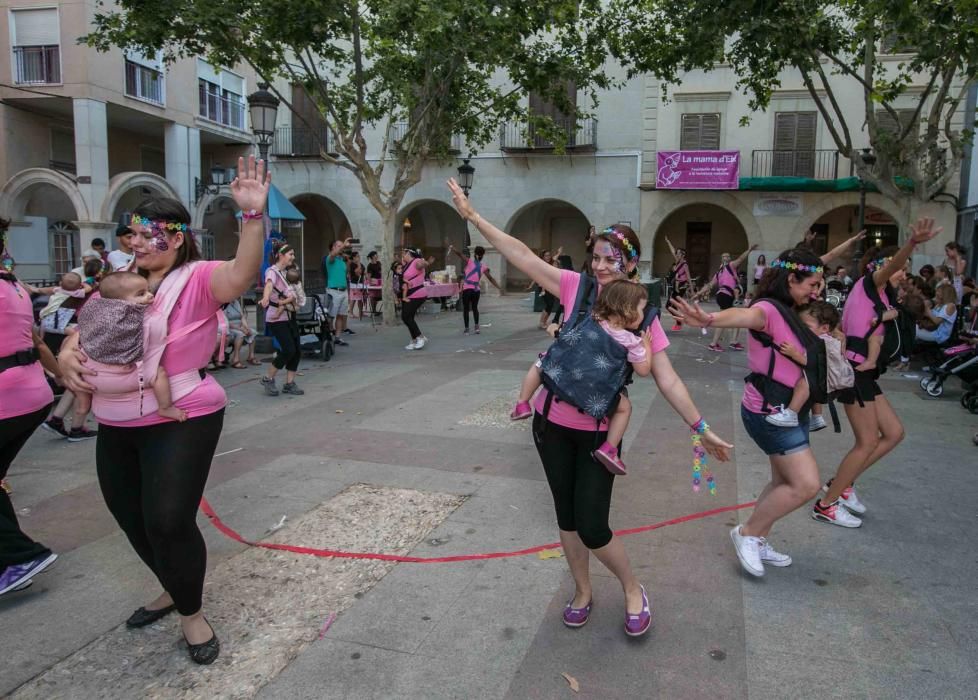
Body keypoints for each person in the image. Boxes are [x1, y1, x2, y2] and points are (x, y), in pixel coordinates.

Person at [448, 178, 732, 637]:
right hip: (550, 423)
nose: (599, 267)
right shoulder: (575, 288)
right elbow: (520, 253)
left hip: (599, 435)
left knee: (594, 526)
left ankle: (633, 587)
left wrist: (702, 428)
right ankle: (582, 590)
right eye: (596, 257)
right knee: (566, 517)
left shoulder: (643, 313)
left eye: (610, 260)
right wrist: (474, 217)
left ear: (630, 264)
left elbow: (667, 378)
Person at [58, 155, 271, 664]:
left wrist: (252, 217)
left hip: (182, 415)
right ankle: (172, 584)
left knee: (169, 520)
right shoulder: (116, 279)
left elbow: (242, 275)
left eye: (146, 234)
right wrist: (67, 354)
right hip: (115, 418)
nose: (134, 243)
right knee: (130, 516)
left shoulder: (197, 278)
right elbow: (84, 328)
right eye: (130, 234)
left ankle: (192, 615)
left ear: (175, 237)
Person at [670, 248, 832, 575]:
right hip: (770, 412)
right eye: (812, 284)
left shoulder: (790, 307)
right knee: (805, 484)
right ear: (791, 279)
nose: (817, 292)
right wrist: (710, 318)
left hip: (790, 410)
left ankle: (757, 538)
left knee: (782, 480)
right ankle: (747, 533)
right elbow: (746, 315)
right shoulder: (768, 309)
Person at [817, 219, 942, 527]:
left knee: (894, 433)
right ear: (881, 266)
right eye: (902, 267)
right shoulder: (870, 284)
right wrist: (911, 243)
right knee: (867, 441)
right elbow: (890, 266)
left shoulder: (884, 296)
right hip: (855, 372)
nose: (905, 272)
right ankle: (826, 503)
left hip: (867, 373)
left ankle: (842, 485)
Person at [511, 279, 652, 476]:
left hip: (565, 377)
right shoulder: (631, 340)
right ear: (627, 309)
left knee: (542, 364)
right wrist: (647, 346)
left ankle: (522, 403)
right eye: (641, 309)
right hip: (595, 394)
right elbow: (644, 370)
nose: (643, 314)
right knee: (624, 408)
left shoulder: (593, 319)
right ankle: (609, 449)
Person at [0, 222, 63, 596]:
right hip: (31, 393)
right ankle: (11, 560)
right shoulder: (14, 285)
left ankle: (23, 555)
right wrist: (60, 379)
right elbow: (36, 342)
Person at [75, 271, 188, 423]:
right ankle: (166, 407)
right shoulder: (138, 320)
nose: (149, 296)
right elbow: (152, 341)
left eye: (148, 290)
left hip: (91, 374)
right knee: (159, 374)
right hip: (124, 375)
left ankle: (83, 403)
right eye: (141, 294)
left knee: (80, 366)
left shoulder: (95, 313)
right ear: (119, 302)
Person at [764, 300, 849, 427]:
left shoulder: (821, 342)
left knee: (803, 384)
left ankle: (791, 413)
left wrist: (794, 354)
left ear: (824, 328)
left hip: (827, 380)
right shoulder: (827, 339)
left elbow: (813, 363)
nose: (801, 330)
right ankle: (817, 417)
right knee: (810, 384)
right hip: (827, 379)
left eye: (806, 326)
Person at [259, 242, 303, 397]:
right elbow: (269, 285)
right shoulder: (272, 271)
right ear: (281, 255)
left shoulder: (288, 272)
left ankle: (289, 383)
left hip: (290, 315)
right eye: (290, 254)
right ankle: (267, 378)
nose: (293, 257)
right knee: (288, 349)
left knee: (296, 350)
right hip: (277, 318)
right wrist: (265, 297)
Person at [694, 244, 757, 351]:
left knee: (736, 319)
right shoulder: (729, 266)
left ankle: (733, 342)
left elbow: (710, 285)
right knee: (725, 320)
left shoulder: (723, 271)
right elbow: (741, 258)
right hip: (725, 296)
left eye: (727, 256)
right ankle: (714, 344)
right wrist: (749, 249)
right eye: (724, 256)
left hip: (723, 296)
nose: (726, 258)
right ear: (722, 259)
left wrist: (698, 294)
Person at [448, 244, 503, 334]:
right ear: (482, 255)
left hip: (467, 289)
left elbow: (459, 254)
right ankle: (477, 327)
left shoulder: (469, 262)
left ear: (475, 254)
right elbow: (491, 278)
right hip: (476, 290)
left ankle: (466, 329)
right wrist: (498, 287)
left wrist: (453, 248)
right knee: (475, 308)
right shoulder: (483, 267)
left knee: (466, 309)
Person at [322, 237, 352, 345]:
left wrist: (348, 261)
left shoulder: (341, 260)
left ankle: (337, 337)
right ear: (333, 247)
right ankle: (328, 335)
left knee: (341, 315)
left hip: (343, 291)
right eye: (339, 246)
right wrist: (344, 245)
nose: (342, 248)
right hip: (333, 291)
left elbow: (346, 273)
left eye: (342, 246)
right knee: (331, 316)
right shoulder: (330, 258)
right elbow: (334, 254)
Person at [401, 247, 431, 350]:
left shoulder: (416, 261)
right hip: (409, 294)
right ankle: (414, 340)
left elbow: (421, 265)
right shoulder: (407, 264)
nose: (403, 255)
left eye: (404, 253)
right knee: (408, 317)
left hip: (417, 293)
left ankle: (420, 337)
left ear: (409, 253)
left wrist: (426, 262)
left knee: (406, 316)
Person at [528, 249, 562, 329]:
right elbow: (536, 276)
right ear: (543, 257)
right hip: (543, 287)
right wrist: (531, 285)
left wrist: (559, 252)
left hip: (550, 287)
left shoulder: (551, 263)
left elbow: (555, 257)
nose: (548, 257)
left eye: (549, 255)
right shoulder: (541, 265)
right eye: (546, 255)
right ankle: (541, 322)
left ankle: (544, 322)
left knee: (550, 305)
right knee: (549, 304)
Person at [222, 296, 259, 368]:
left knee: (253, 332)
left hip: (239, 326)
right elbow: (225, 322)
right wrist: (241, 329)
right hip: (230, 327)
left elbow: (242, 317)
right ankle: (236, 359)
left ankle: (251, 356)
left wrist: (246, 327)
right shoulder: (224, 304)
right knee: (240, 334)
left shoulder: (236, 302)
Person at [664, 236, 690, 331]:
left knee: (669, 306)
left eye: (678, 253)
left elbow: (689, 278)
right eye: (677, 253)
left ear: (682, 255)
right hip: (675, 286)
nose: (676, 254)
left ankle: (680, 321)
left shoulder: (684, 264)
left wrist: (692, 290)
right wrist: (668, 241)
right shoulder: (677, 262)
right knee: (672, 306)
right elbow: (672, 251)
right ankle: (679, 322)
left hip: (680, 287)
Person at [348, 250, 366, 320]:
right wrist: (358, 264)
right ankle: (351, 312)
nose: (359, 257)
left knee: (359, 299)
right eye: (357, 256)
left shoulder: (360, 264)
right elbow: (357, 272)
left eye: (359, 256)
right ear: (354, 257)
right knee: (353, 299)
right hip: (354, 284)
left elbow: (364, 272)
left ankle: (360, 312)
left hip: (360, 283)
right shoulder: (352, 265)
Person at [366, 251, 383, 315]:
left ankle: (375, 311)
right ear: (373, 256)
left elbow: (381, 271)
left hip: (379, 281)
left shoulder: (379, 263)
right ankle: (373, 310)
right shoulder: (369, 265)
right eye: (376, 255)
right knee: (373, 296)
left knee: (378, 296)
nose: (377, 256)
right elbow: (369, 275)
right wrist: (370, 282)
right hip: (373, 282)